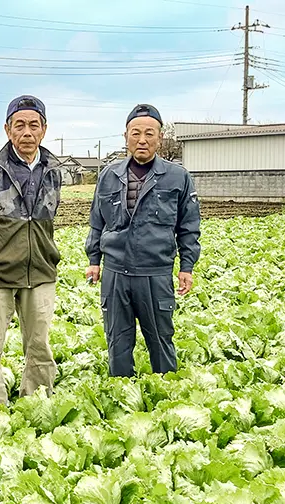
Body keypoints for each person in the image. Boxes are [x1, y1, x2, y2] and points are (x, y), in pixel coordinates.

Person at [85, 104, 201, 377]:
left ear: (160, 138)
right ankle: (121, 395)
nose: (142, 140)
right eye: (135, 133)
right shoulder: (109, 175)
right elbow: (96, 220)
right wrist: (94, 261)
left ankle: (167, 393)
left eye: (150, 133)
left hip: (155, 273)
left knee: (161, 339)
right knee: (117, 342)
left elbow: (188, 226)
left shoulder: (178, 177)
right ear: (125, 136)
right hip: (116, 273)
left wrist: (187, 267)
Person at [0, 95, 62, 411]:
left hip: (41, 273)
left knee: (40, 348)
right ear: (8, 129)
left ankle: (36, 411)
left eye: (34, 125)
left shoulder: (54, 171)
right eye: (20, 125)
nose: (27, 132)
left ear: (44, 130)